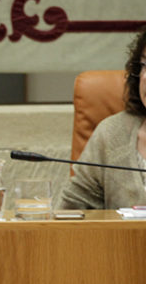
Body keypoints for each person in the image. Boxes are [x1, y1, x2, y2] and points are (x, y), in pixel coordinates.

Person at [59, 28, 146, 209]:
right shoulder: (113, 133)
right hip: (120, 239)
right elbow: (73, 210)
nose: (145, 77)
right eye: (144, 65)